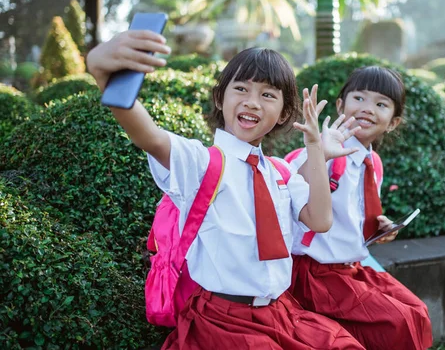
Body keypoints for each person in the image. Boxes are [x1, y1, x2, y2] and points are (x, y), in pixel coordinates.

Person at [87, 29, 365, 350]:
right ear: (221, 98)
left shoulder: (281, 171)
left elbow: (319, 221)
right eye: (241, 89)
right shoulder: (202, 163)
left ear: (284, 113)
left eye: (268, 95)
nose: (251, 102)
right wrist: (105, 76)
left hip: (280, 312)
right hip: (223, 320)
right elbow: (149, 136)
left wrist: (316, 148)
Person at [287, 66, 433, 350]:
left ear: (393, 122)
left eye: (381, 104)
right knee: (397, 321)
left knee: (416, 311)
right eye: (359, 98)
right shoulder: (323, 151)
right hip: (315, 274)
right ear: (341, 105)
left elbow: (354, 214)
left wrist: (379, 226)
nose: (367, 109)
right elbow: (286, 190)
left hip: (351, 267)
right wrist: (319, 152)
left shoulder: (373, 163)